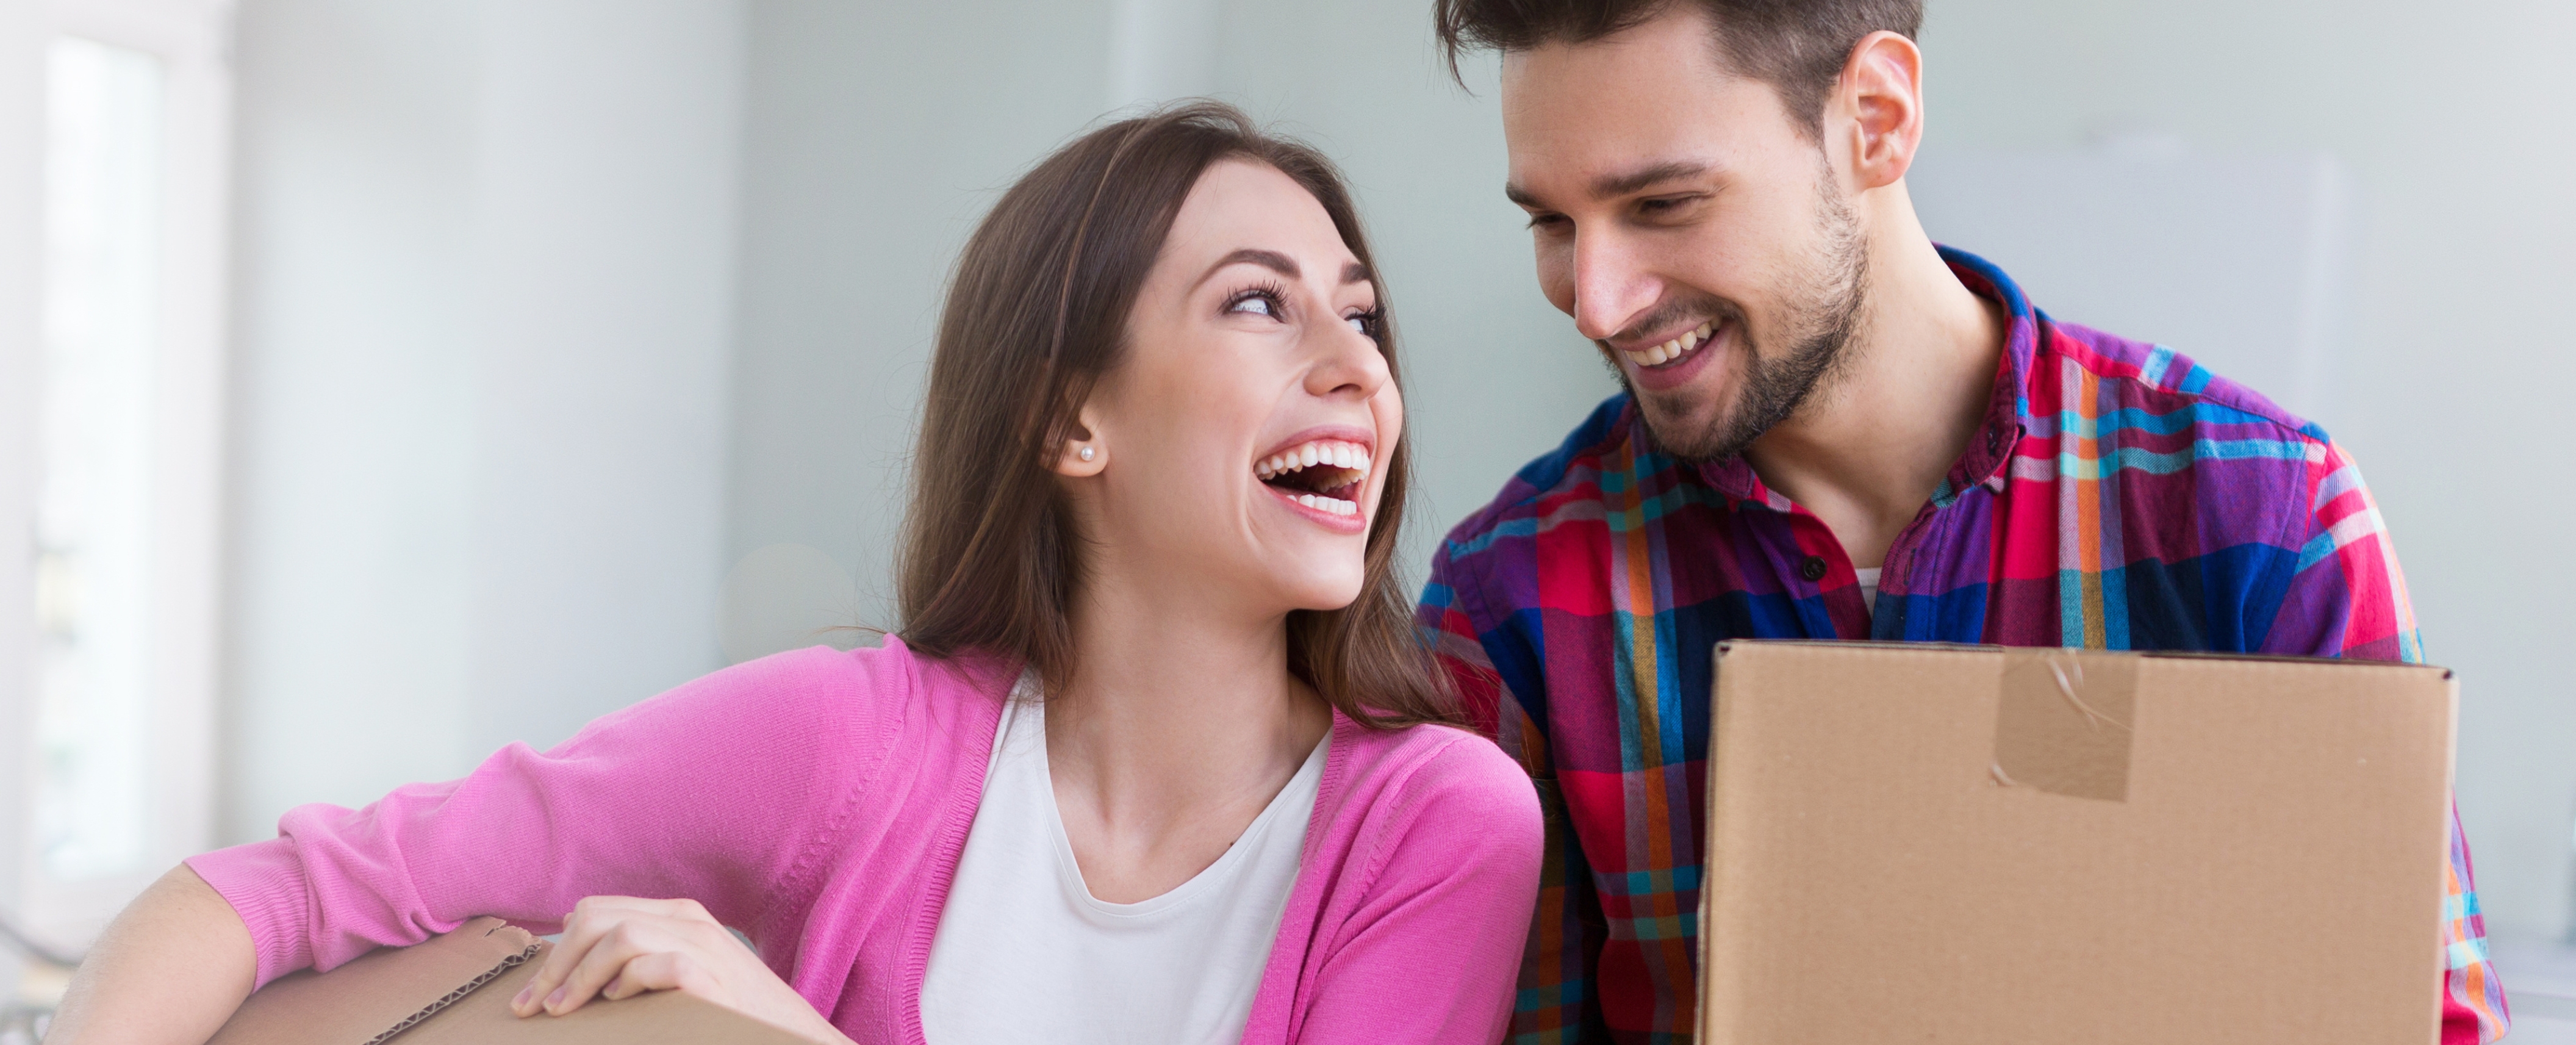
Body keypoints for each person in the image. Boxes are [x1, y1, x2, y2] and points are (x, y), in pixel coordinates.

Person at [48, 102, 1542, 1045]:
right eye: (1259, 306)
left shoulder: (1435, 823)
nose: (1355, 366)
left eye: (1362, 317)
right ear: (1068, 417)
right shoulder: (853, 742)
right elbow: (268, 895)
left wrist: (767, 1023)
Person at [1412, 2, 2510, 1042]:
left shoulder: (2265, 520)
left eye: (1663, 204)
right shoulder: (1512, 599)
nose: (1596, 300)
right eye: (1554, 222)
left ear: (1875, 121)